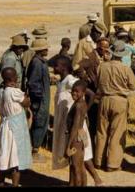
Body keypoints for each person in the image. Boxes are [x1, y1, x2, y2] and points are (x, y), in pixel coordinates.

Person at [51, 57, 103, 186]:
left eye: (56, 66)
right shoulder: (61, 82)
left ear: (63, 67)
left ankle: (96, 179)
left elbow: (90, 94)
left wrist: (83, 111)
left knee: (81, 156)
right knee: (73, 158)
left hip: (76, 125)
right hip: (66, 123)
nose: (54, 68)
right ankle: (72, 182)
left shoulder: (71, 81)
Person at [94, 40, 135, 172]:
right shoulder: (125, 68)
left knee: (101, 131)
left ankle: (98, 161)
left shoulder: (102, 66)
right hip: (119, 100)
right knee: (117, 132)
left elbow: (97, 83)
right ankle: (112, 164)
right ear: (123, 54)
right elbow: (133, 86)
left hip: (104, 100)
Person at [0, 67, 32, 187]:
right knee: (15, 159)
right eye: (16, 76)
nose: (17, 78)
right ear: (11, 78)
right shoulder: (14, 92)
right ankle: (15, 184)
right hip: (15, 129)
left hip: (4, 127)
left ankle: (1, 182)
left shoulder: (0, 92)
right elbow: (26, 103)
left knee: (3, 156)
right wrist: (26, 96)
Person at [76, 37, 112, 146]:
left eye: (106, 49)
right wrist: (86, 78)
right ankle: (90, 147)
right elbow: (78, 68)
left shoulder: (104, 57)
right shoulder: (91, 56)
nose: (104, 51)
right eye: (102, 49)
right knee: (92, 122)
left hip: (102, 94)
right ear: (97, 46)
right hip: (93, 95)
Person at [26, 38, 51, 162]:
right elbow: (33, 83)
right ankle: (34, 151)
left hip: (42, 99)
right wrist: (39, 99)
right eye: (46, 48)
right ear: (41, 50)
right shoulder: (37, 63)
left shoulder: (40, 62)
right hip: (40, 101)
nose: (47, 50)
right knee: (39, 123)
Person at [66, 80, 91, 186]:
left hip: (76, 138)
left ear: (83, 93)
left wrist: (68, 145)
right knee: (80, 165)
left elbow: (75, 126)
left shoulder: (78, 106)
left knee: (76, 167)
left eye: (77, 91)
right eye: (72, 91)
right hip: (81, 135)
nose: (74, 93)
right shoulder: (83, 103)